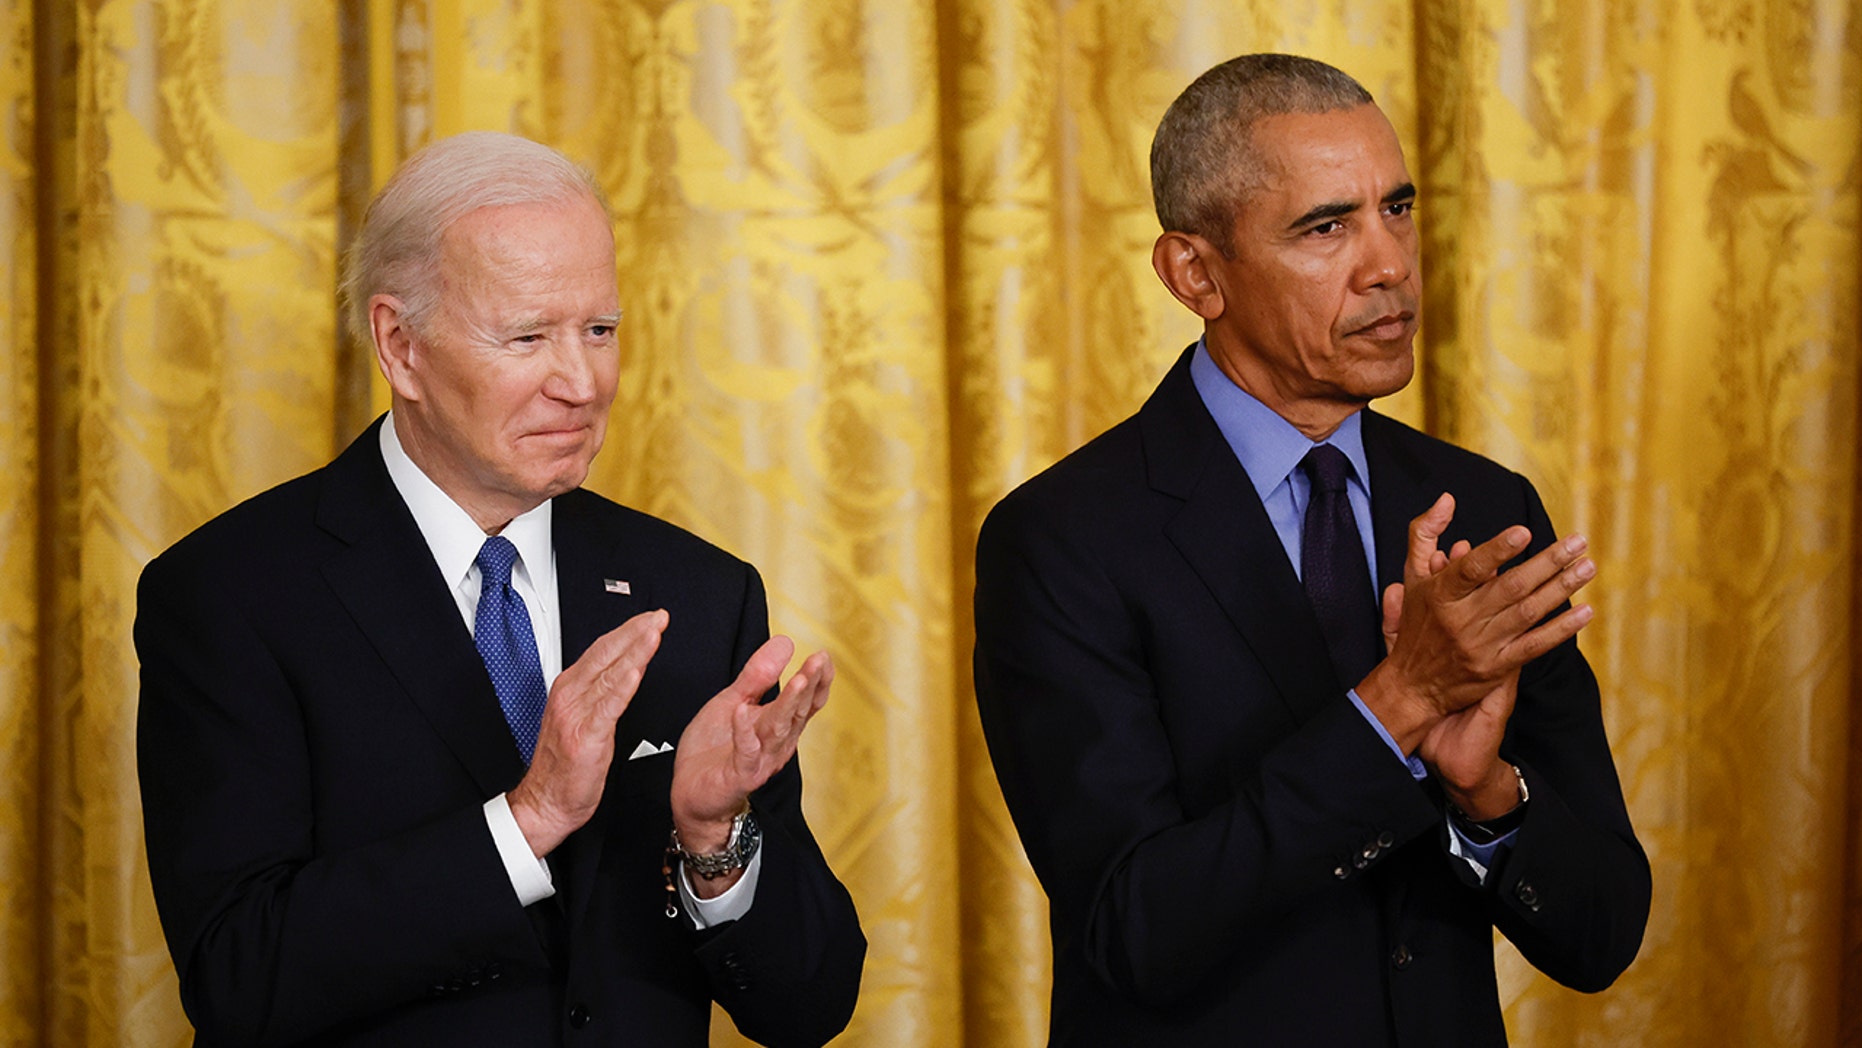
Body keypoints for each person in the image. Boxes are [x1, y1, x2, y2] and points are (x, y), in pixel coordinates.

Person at [973, 54, 1649, 1045]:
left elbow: (1599, 933)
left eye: (1397, 208)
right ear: (1193, 272)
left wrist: (1485, 794)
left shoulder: (1484, 510)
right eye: (1325, 227)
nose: (1388, 265)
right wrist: (1398, 703)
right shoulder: (1061, 538)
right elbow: (1133, 929)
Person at [136, 131, 864, 1047]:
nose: (582, 382)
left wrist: (714, 843)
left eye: (599, 331)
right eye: (528, 336)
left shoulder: (700, 594)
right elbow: (239, 975)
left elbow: (811, 1006)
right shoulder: (231, 594)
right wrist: (527, 821)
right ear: (400, 346)